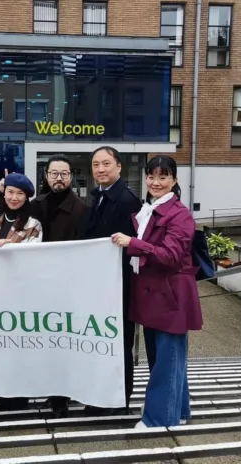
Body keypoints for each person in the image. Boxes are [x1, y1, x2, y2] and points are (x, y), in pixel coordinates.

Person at [111, 155, 203, 428]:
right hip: (156, 295)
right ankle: (180, 411)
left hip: (171, 296)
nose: (156, 182)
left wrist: (134, 243)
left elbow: (172, 256)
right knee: (167, 358)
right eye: (151, 177)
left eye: (163, 177)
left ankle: (160, 419)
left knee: (166, 360)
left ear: (174, 180)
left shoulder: (180, 215)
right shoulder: (149, 209)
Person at [80, 146, 141, 416]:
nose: (100, 169)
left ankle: (119, 400)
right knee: (103, 341)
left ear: (119, 167)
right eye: (96, 165)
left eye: (106, 163)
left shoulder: (127, 200)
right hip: (101, 284)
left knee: (119, 344)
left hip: (119, 285)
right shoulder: (101, 196)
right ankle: (103, 395)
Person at [0, 172, 42, 411]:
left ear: (26, 198)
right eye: (10, 193)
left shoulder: (33, 225)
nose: (14, 198)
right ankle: (2, 394)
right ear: (3, 194)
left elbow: (34, 255)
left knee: (19, 346)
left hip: (20, 293)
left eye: (20, 194)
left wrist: (13, 248)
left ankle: (19, 396)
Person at [29, 155, 86, 418]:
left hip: (68, 285)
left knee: (63, 342)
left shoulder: (82, 208)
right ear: (46, 176)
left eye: (64, 173)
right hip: (37, 283)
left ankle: (61, 396)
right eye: (54, 173)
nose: (59, 178)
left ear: (71, 177)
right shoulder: (34, 206)